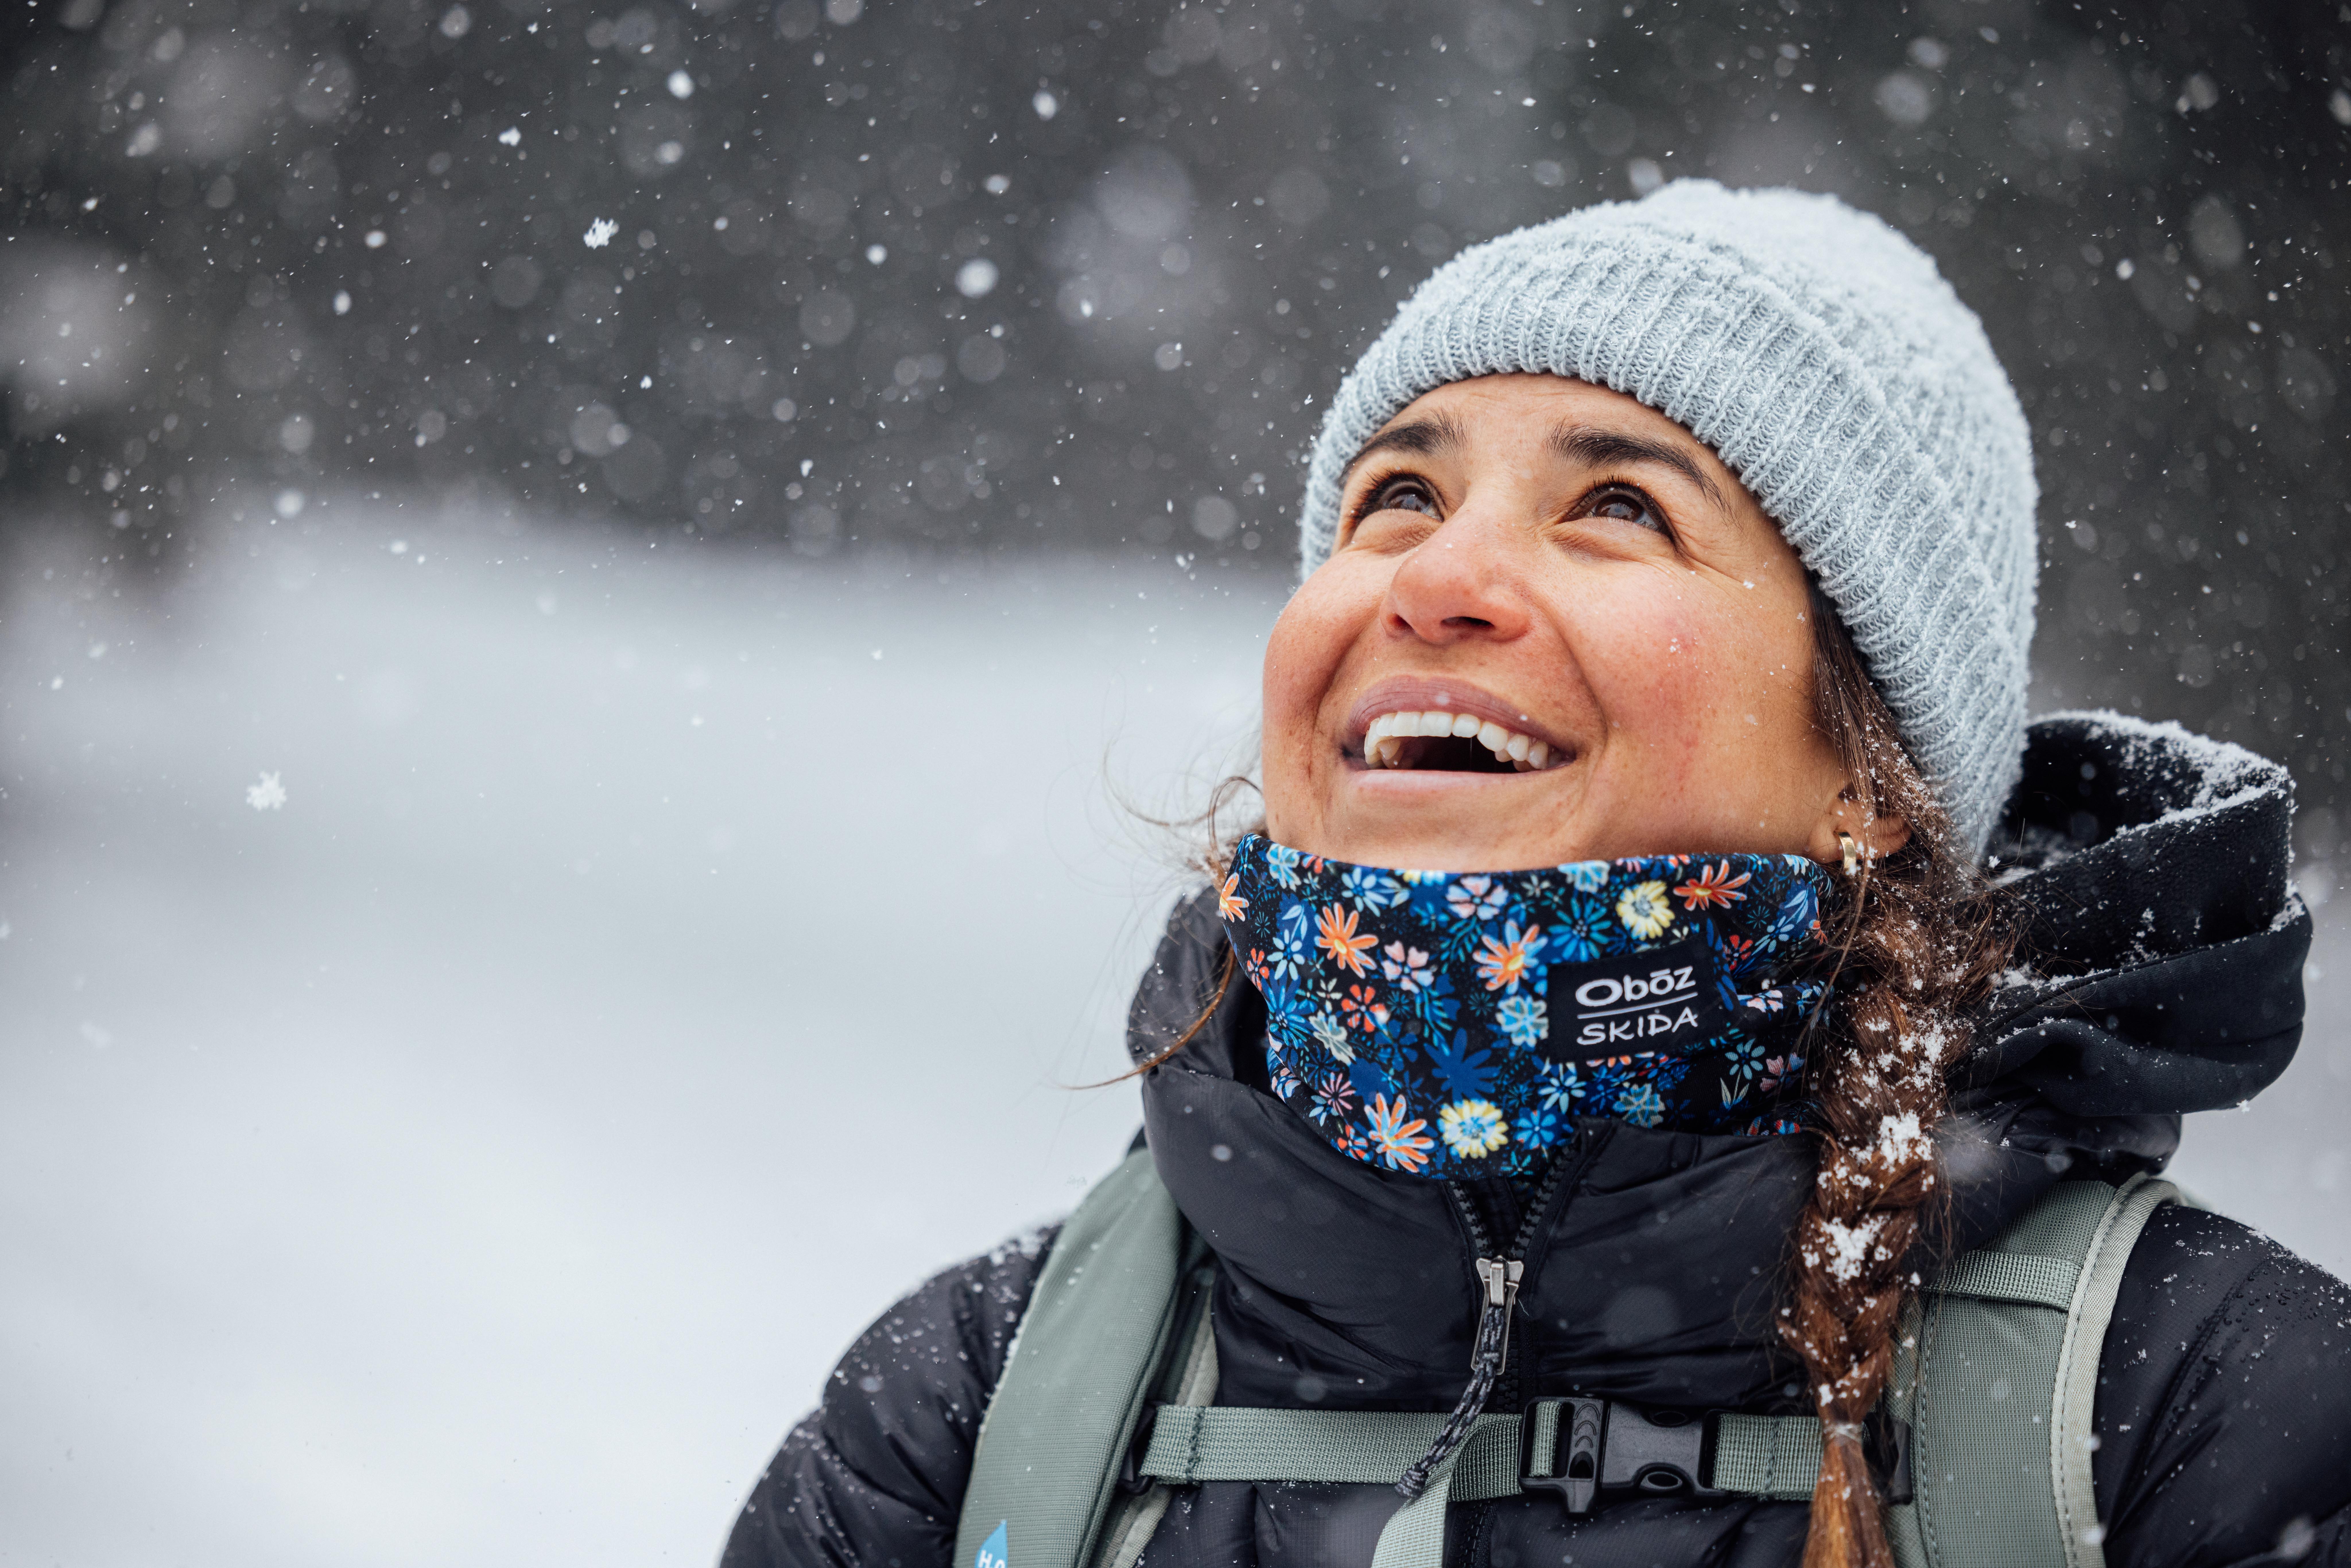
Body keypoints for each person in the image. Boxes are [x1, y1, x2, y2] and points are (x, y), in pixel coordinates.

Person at [720, 183, 2348, 1568]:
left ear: (1870, 775)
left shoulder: (2200, 1426)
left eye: (1619, 505)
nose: (1435, 577)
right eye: (1401, 494)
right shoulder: (979, 1416)